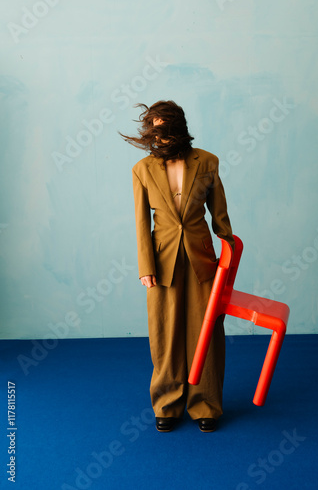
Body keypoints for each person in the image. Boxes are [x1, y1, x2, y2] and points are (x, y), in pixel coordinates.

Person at [120, 100, 234, 432]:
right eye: (155, 130)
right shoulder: (141, 170)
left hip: (203, 258)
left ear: (178, 128)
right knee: (164, 332)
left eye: (166, 129)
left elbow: (220, 214)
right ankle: (167, 404)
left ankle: (206, 404)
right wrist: (145, 265)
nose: (162, 137)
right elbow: (141, 222)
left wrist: (228, 255)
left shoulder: (208, 162)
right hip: (161, 260)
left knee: (207, 330)